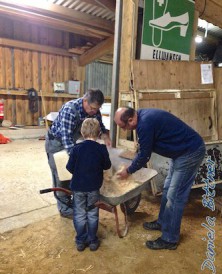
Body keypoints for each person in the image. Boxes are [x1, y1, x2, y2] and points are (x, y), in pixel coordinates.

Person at [114, 107, 205, 250]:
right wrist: (131, 163)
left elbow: (145, 155)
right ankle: (162, 222)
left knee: (175, 196)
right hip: (180, 153)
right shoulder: (141, 117)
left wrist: (129, 170)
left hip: (190, 153)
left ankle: (170, 239)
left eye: (123, 126)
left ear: (131, 119)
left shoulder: (145, 123)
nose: (124, 130)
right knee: (168, 188)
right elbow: (142, 147)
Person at [45, 89, 111, 218]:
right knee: (61, 176)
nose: (94, 112)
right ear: (85, 101)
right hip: (57, 143)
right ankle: (64, 209)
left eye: (96, 109)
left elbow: (100, 125)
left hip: (71, 141)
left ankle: (73, 201)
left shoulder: (94, 110)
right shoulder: (70, 109)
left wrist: (105, 136)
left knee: (73, 175)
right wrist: (79, 159)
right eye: (92, 108)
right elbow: (66, 138)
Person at [66, 118, 111, 251]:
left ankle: (80, 241)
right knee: (92, 213)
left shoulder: (76, 149)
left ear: (82, 132)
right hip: (93, 188)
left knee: (79, 213)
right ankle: (92, 241)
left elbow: (69, 168)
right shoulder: (101, 149)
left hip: (78, 187)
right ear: (98, 134)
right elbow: (107, 165)